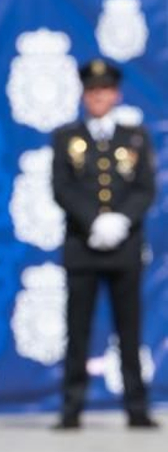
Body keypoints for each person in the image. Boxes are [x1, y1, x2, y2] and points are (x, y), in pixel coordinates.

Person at [51, 58, 159, 430]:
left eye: (105, 90)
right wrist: (93, 220)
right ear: (84, 95)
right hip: (82, 247)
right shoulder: (66, 138)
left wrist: (121, 220)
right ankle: (71, 408)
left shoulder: (134, 137)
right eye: (93, 91)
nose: (99, 97)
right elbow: (62, 187)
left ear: (116, 95)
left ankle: (136, 406)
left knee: (129, 330)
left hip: (124, 249)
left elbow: (145, 188)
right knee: (77, 329)